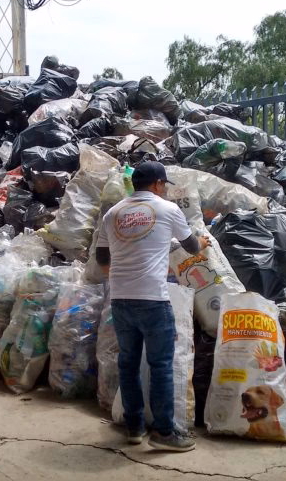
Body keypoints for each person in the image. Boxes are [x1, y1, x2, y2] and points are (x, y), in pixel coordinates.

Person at [96, 161, 208, 452]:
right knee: (160, 366)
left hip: (120, 299)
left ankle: (134, 428)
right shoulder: (168, 209)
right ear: (159, 184)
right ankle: (164, 432)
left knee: (128, 364)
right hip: (153, 301)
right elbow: (193, 247)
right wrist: (203, 242)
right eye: (164, 186)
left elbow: (101, 257)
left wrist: (123, 271)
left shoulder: (112, 213)